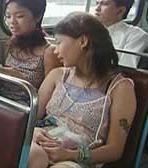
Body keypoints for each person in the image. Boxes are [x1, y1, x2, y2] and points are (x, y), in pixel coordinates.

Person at [29, 12, 136, 168]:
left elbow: (115, 150)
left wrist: (70, 154)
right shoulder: (57, 75)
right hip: (41, 142)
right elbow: (31, 117)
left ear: (83, 41)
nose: (55, 50)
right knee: (33, 156)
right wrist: (34, 131)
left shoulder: (120, 88)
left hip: (78, 157)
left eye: (59, 42)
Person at [0, 0, 60, 102]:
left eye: (19, 16)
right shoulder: (10, 45)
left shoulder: (49, 52)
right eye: (8, 16)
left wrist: (21, 80)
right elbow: (0, 87)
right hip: (2, 103)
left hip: (28, 110)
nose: (12, 22)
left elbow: (52, 98)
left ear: (37, 17)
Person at [94, 0, 148, 68]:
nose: (97, 8)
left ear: (120, 11)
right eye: (97, 3)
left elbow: (126, 69)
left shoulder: (136, 35)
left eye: (104, 4)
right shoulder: (90, 31)